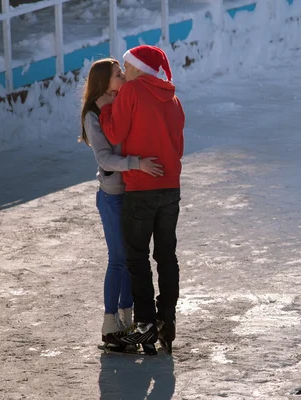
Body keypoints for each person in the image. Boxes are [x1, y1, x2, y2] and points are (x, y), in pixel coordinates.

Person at [96, 45, 185, 353]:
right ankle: (167, 321)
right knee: (166, 256)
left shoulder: (132, 92)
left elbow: (114, 133)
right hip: (171, 188)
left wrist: (108, 107)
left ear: (137, 69)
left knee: (137, 257)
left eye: (126, 65)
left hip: (141, 188)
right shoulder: (173, 99)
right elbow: (179, 146)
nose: (124, 70)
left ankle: (145, 324)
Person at [79, 58, 165, 345]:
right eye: (119, 75)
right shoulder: (93, 114)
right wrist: (137, 164)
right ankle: (109, 321)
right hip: (112, 197)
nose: (124, 78)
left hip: (133, 192)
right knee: (117, 260)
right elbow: (104, 158)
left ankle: (126, 321)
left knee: (132, 260)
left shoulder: (123, 102)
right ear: (105, 81)